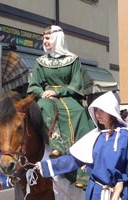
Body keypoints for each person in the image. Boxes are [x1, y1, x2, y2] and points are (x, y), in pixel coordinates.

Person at [27, 25, 94, 186]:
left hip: (68, 97)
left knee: (79, 112)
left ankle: (82, 169)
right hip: (47, 98)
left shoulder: (73, 60)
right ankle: (56, 145)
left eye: (48, 38)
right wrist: (42, 92)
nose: (45, 41)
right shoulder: (41, 62)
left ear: (57, 38)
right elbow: (33, 85)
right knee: (43, 105)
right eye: (43, 38)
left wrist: (59, 92)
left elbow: (76, 83)